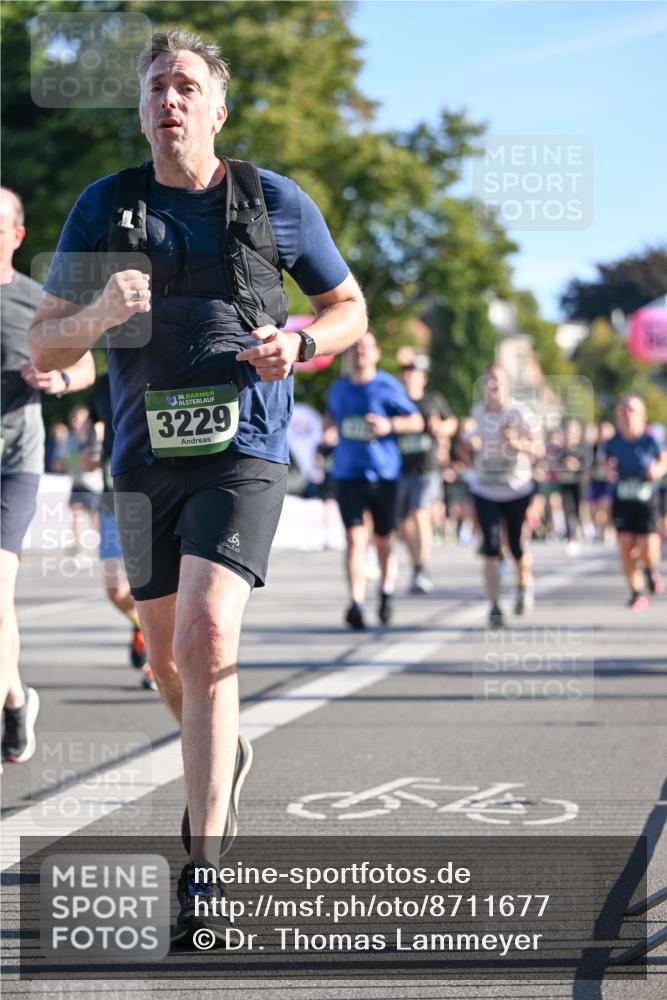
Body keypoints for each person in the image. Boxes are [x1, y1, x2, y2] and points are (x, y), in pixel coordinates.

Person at [28, 29, 366, 944]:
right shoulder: (103, 206)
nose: (167, 100)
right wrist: (101, 312)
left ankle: (204, 870)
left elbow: (347, 307)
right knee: (167, 658)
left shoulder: (273, 200)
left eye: (184, 86)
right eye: (154, 88)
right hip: (141, 454)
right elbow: (45, 345)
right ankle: (224, 751)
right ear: (141, 111)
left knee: (206, 634)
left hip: (242, 445)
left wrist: (300, 342)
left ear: (218, 107)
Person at [1, 186, 95, 767]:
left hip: (12, 463)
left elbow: (85, 364)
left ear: (16, 235)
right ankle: (15, 699)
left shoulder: (35, 301)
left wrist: (56, 380)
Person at [325, 331, 423, 629]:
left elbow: (416, 421)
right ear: (348, 353)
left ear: (377, 353)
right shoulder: (338, 389)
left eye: (366, 347)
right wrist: (328, 431)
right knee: (354, 538)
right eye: (355, 348)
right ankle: (356, 603)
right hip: (347, 473)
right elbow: (331, 419)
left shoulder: (388, 386)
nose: (360, 352)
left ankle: (386, 591)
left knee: (382, 541)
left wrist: (388, 425)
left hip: (384, 475)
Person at [459, 364, 543, 628]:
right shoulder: (478, 412)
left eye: (498, 381)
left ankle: (524, 585)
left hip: (517, 488)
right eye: (489, 380)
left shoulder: (520, 412)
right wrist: (467, 447)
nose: (493, 385)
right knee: (491, 545)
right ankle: (494, 604)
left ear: (508, 385)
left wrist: (518, 444)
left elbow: (539, 449)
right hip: (486, 488)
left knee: (516, 544)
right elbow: (467, 447)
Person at [87, 371, 156, 690]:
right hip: (114, 494)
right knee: (115, 589)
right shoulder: (103, 383)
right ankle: (145, 624)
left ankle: (157, 657)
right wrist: (90, 451)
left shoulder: (158, 365)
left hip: (156, 488)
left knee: (158, 585)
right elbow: (96, 426)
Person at [395, 354, 456, 593]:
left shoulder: (433, 400)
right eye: (406, 372)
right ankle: (418, 565)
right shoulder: (396, 400)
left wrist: (441, 428)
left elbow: (452, 423)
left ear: (423, 378)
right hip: (401, 468)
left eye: (414, 372)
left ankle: (422, 566)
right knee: (403, 522)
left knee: (419, 512)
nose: (409, 376)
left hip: (427, 469)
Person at [601, 395, 666, 609]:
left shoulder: (650, 439)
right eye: (623, 411)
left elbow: (663, 460)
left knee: (648, 548)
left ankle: (650, 569)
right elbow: (605, 461)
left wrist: (657, 470)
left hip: (646, 496)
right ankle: (636, 592)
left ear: (642, 415)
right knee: (626, 545)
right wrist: (608, 470)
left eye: (632, 410)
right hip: (623, 496)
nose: (627, 415)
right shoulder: (613, 441)